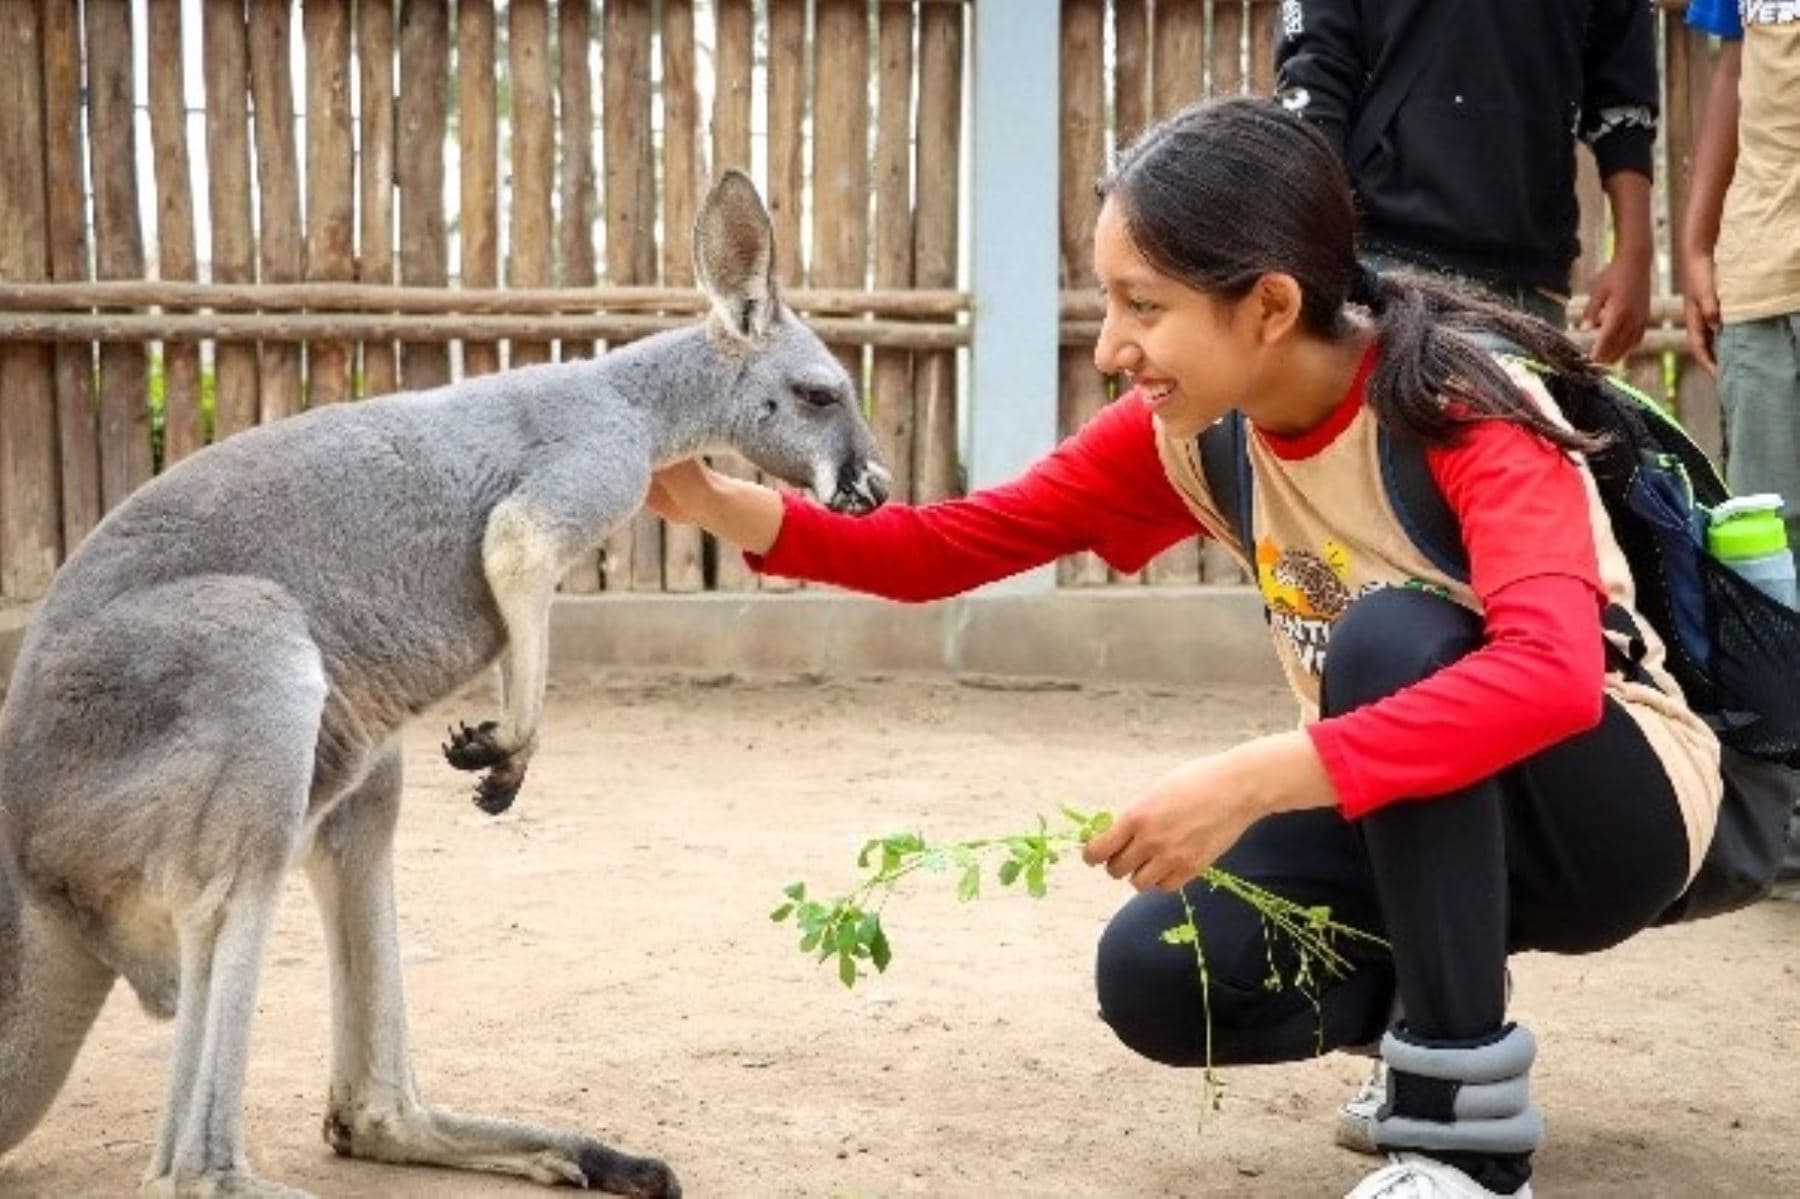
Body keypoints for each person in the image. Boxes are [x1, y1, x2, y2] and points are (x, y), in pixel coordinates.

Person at [648, 98, 1722, 1199]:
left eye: (1142, 306)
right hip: (1406, 817)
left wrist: (1253, 778)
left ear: (1268, 304)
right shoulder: (1197, 429)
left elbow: (1550, 676)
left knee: (1390, 636)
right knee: (1160, 973)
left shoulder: (1459, 407)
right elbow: (953, 545)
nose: (1113, 346)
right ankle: (1432, 1011)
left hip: (1606, 815)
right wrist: (726, 505)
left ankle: (1467, 1152)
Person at [1275, 0, 1658, 360]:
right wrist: (1315, 249)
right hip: (1379, 272)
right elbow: (1313, 73)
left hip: (1527, 292)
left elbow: (1621, 76)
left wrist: (1635, 250)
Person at [1679, 0, 1800, 898]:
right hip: (1762, 270)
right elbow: (1731, 70)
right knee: (1768, 554)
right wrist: (1696, 238)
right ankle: (1779, 821)